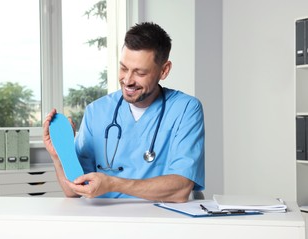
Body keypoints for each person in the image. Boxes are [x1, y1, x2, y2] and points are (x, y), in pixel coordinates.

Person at [43, 22, 204, 203]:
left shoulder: (185, 109)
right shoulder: (97, 111)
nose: (127, 80)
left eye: (140, 73)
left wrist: (112, 184)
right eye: (124, 68)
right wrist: (59, 157)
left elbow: (181, 189)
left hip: (162, 220)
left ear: (164, 70)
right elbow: (74, 190)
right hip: (107, 220)